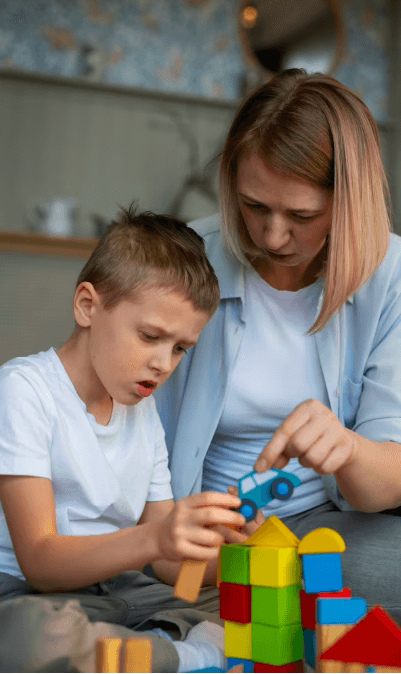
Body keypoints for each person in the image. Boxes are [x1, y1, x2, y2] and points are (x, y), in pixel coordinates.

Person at [155, 68, 401, 651]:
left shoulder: (399, 272)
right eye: (252, 206)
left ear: (350, 202)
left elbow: (395, 469)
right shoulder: (183, 263)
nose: (270, 235)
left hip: (385, 473)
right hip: (282, 535)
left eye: (302, 216)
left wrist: (347, 448)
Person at [0, 205, 258, 674]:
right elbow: (39, 560)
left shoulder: (143, 411)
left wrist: (231, 553)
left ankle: (146, 651)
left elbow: (167, 567)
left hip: (119, 591)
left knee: (244, 607)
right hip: (32, 592)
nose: (164, 364)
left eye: (180, 348)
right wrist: (154, 538)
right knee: (28, 637)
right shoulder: (24, 389)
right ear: (87, 306)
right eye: (150, 336)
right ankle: (179, 653)